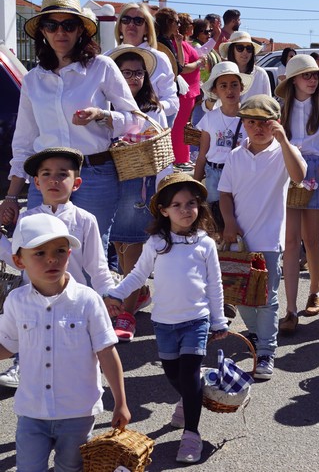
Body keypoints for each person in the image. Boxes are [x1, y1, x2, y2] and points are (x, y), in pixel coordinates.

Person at [106, 173, 228, 464]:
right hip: (164, 323)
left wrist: (219, 320)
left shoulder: (205, 244)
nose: (186, 210)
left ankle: (191, 434)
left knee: (189, 374)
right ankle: (189, 397)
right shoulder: (156, 243)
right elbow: (137, 275)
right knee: (174, 374)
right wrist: (116, 294)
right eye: (177, 205)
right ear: (163, 211)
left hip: (196, 321)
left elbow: (215, 285)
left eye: (191, 203)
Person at [1, 0, 139, 249]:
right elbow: (24, 142)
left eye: (69, 25)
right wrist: (11, 196)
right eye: (51, 25)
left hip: (94, 174)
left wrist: (102, 116)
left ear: (80, 31)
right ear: (42, 31)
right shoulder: (33, 79)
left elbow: (135, 120)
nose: (60, 32)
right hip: (46, 176)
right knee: (41, 248)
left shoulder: (102, 67)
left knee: (90, 252)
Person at [0, 214, 129, 471]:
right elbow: (8, 345)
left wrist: (121, 402)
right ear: (19, 261)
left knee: (70, 468)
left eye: (60, 251)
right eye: (39, 253)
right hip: (32, 411)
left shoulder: (88, 300)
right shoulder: (16, 301)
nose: (52, 259)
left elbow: (106, 352)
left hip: (77, 413)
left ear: (69, 254)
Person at [0, 148, 118, 388]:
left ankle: (80, 386)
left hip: (73, 299)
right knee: (32, 339)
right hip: (34, 296)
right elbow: (18, 260)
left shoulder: (85, 219)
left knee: (72, 347)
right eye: (46, 174)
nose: (53, 180)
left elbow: (97, 266)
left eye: (62, 174)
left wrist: (109, 295)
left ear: (76, 183)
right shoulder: (27, 219)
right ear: (36, 183)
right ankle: (23, 369)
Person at [219, 95, 307, 379]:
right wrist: (229, 222)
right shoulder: (235, 156)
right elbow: (225, 194)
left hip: (269, 240)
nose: (258, 128)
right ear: (243, 124)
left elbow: (299, 175)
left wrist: (283, 141)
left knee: (267, 299)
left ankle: (267, 350)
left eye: (265, 122)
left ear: (276, 123)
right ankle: (258, 335)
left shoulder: (284, 152)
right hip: (240, 241)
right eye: (251, 122)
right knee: (242, 296)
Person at [277, 55, 319, 333]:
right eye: (306, 75)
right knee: (291, 241)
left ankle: (315, 289)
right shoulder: (282, 108)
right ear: (293, 80)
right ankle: (290, 309)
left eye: (315, 75)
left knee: (311, 239)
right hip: (289, 168)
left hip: (316, 169)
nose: (312, 79)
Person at [106, 45, 170, 340]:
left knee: (132, 245)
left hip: (140, 181)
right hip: (112, 179)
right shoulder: (106, 104)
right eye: (126, 72)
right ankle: (139, 291)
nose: (133, 78)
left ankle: (127, 313)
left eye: (138, 73)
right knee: (119, 243)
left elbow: (161, 144)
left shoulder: (152, 109)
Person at [193, 62, 252, 231]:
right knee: (216, 219)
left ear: (241, 87)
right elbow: (202, 154)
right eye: (223, 86)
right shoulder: (209, 118)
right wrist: (195, 185)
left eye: (234, 85)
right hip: (214, 174)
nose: (229, 90)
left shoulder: (250, 118)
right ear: (215, 91)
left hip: (240, 174)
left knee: (241, 217)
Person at [112, 3, 179, 125]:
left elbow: (173, 102)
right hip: (112, 130)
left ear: (147, 28)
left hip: (148, 130)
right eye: (126, 20)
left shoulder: (160, 59)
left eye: (138, 21)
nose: (131, 24)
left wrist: (152, 108)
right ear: (120, 26)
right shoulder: (107, 58)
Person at [156, 7, 204, 169]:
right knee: (178, 126)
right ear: (169, 23)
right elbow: (181, 68)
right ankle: (178, 159)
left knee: (180, 125)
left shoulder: (169, 42)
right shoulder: (163, 42)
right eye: (176, 22)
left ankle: (181, 158)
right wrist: (198, 63)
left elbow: (179, 65)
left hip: (183, 89)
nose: (178, 25)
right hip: (178, 90)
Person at [220, 31, 271, 100]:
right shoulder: (221, 74)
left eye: (249, 48)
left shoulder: (261, 74)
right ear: (231, 50)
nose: (245, 52)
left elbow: (268, 103)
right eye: (240, 48)